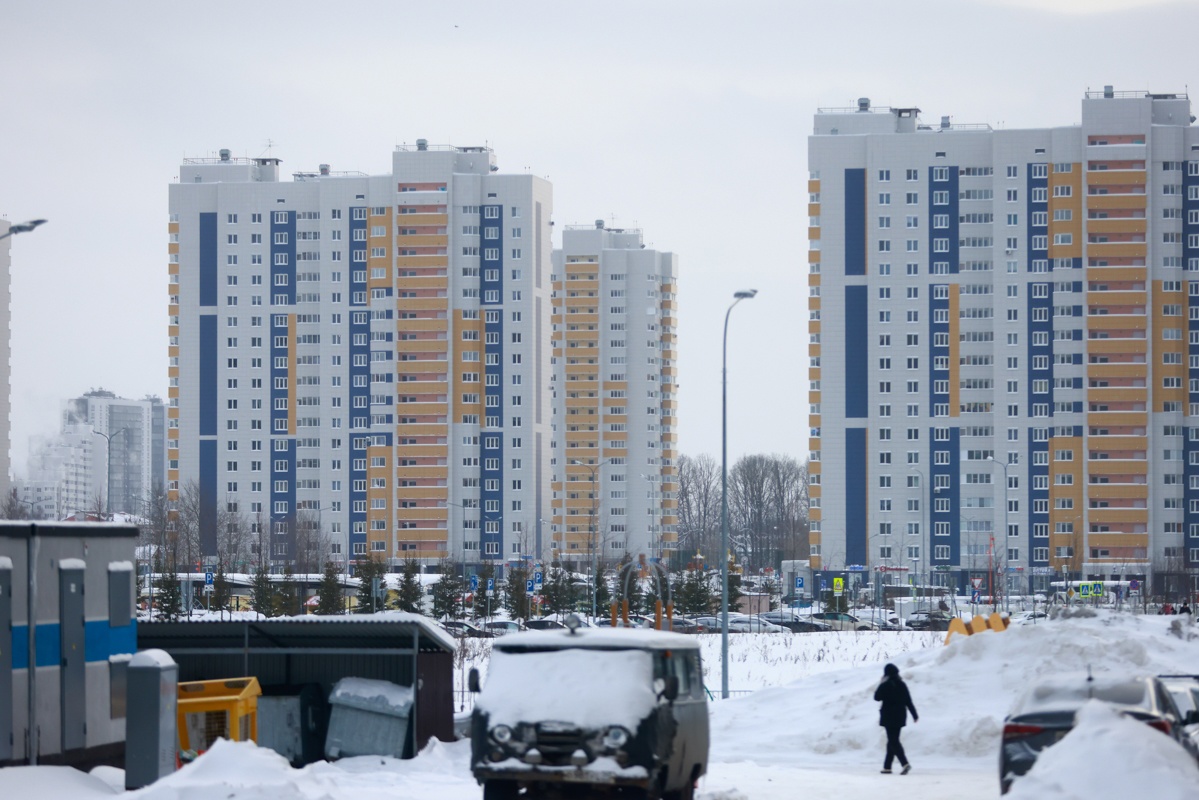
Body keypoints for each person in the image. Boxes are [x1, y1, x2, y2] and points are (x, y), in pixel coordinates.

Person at [874, 662, 918, 774]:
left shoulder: (886, 684)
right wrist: (914, 714)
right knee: (892, 740)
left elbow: (877, 697)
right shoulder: (902, 684)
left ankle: (905, 763)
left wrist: (881, 683)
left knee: (893, 741)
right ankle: (887, 767)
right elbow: (908, 701)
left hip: (889, 716)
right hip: (900, 716)